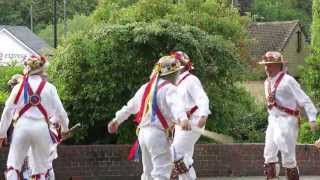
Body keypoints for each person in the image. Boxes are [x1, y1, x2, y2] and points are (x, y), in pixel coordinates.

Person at [108, 55, 191, 180]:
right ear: (172, 74)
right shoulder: (170, 89)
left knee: (147, 173)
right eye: (177, 72)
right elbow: (176, 105)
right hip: (157, 135)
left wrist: (117, 120)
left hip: (143, 134)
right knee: (161, 173)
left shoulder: (146, 88)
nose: (178, 75)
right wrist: (183, 118)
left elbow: (130, 107)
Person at [0, 55, 70, 180]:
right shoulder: (50, 88)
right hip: (41, 128)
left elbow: (8, 111)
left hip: (22, 127)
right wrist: (65, 128)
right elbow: (61, 113)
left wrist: (2, 134)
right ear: (42, 69)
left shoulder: (18, 88)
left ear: (27, 68)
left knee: (13, 166)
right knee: (40, 171)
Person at [258, 51, 318, 180]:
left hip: (288, 120)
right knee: (268, 154)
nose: (266, 68)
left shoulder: (288, 80)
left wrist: (312, 118)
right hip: (273, 120)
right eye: (265, 65)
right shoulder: (266, 83)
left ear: (279, 65)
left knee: (287, 156)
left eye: (270, 65)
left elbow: (304, 99)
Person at [169, 51, 210, 180]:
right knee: (184, 156)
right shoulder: (174, 82)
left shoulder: (191, 80)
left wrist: (203, 115)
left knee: (175, 154)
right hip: (180, 124)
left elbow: (202, 98)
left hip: (193, 123)